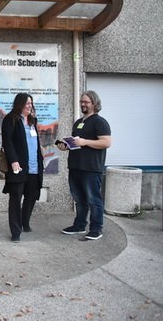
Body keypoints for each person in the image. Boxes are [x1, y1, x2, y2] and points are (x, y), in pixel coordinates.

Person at [57, 90, 111, 240]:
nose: (83, 104)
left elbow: (106, 142)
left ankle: (96, 229)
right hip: (75, 166)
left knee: (94, 200)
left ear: (94, 103)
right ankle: (79, 225)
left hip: (91, 168)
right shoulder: (79, 122)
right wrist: (66, 146)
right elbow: (77, 143)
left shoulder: (100, 122)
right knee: (79, 199)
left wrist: (85, 142)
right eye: (81, 101)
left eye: (86, 102)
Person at [1, 93, 44, 243]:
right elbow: (7, 142)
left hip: (34, 166)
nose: (30, 106)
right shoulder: (10, 119)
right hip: (18, 166)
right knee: (16, 198)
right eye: (27, 103)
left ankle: (25, 222)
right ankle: (15, 231)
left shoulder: (32, 120)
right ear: (19, 104)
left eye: (31, 103)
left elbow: (36, 143)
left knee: (32, 195)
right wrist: (13, 160)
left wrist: (41, 159)